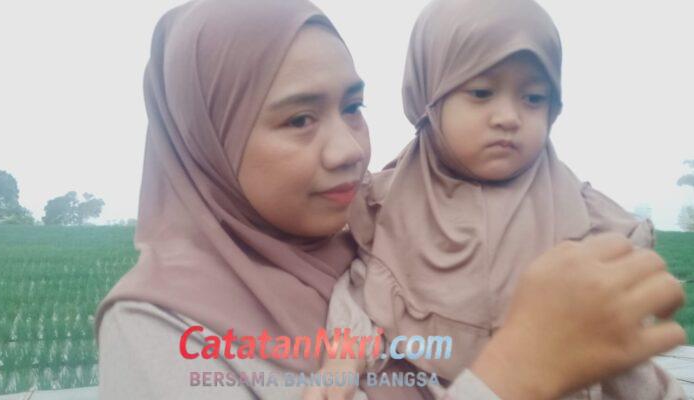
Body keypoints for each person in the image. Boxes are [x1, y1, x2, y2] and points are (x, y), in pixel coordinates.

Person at [94, 0, 686, 399]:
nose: (350, 149)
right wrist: (515, 373)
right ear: (206, 140)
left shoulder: (380, 236)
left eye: (353, 107)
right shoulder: (159, 326)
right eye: (300, 119)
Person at [311, 0, 686, 399]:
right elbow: (363, 291)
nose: (508, 116)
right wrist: (344, 359)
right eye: (481, 92)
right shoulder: (392, 205)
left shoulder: (579, 215)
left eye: (533, 98)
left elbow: (616, 347)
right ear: (428, 98)